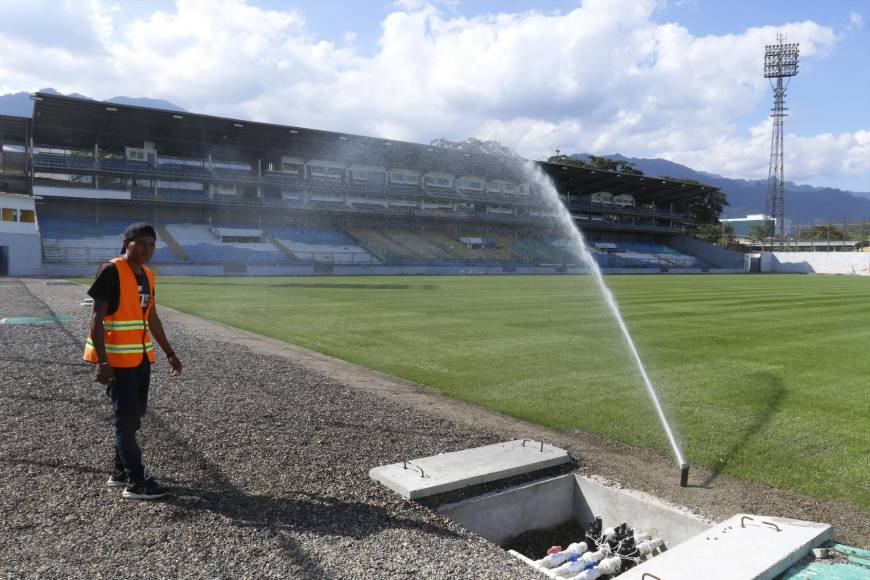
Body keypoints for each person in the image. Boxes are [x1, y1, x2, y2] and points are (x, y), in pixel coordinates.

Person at [83, 222, 182, 500]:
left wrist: (169, 352)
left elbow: (151, 318)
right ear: (127, 244)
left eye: (151, 245)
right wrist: (102, 362)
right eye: (141, 244)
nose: (147, 250)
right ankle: (136, 483)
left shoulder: (148, 275)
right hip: (116, 362)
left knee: (134, 418)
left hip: (139, 359)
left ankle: (119, 472)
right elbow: (95, 318)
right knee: (125, 421)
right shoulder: (112, 271)